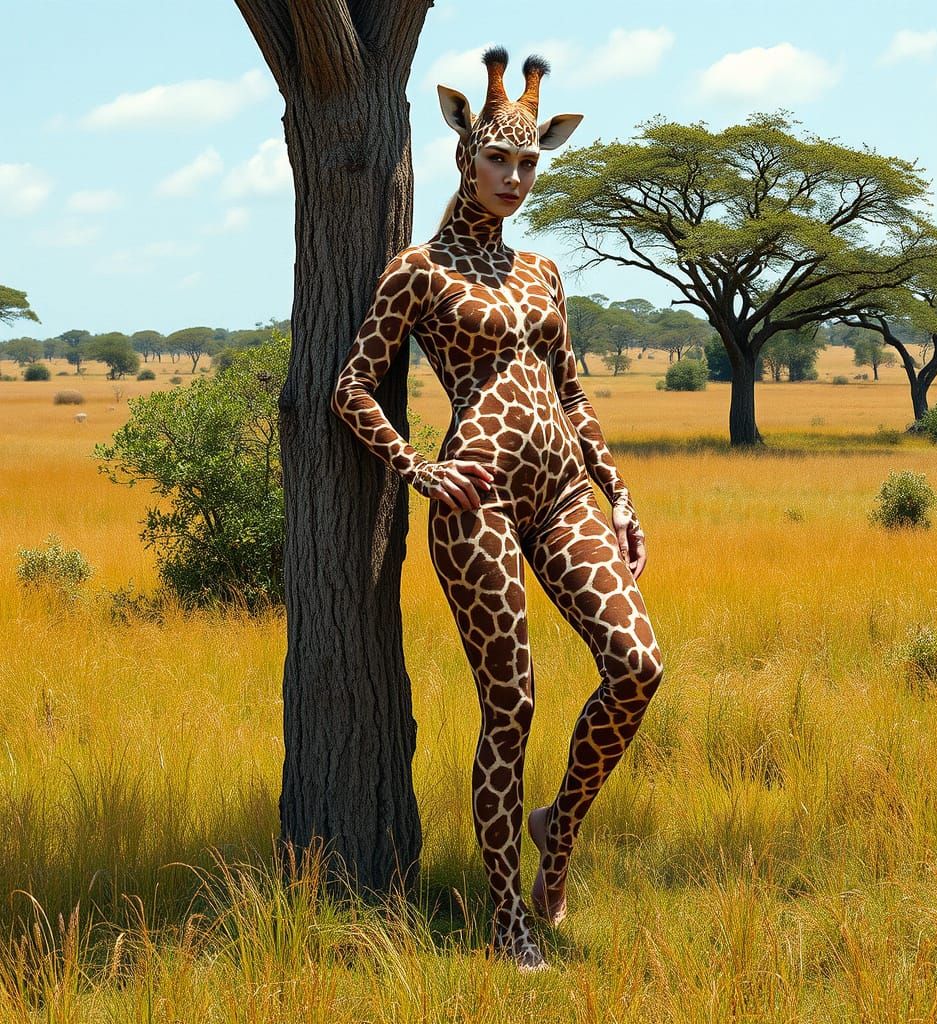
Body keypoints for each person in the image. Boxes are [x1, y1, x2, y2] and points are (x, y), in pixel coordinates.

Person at [332, 46, 663, 971]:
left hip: (562, 495)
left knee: (639, 665)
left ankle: (558, 834)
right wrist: (412, 468)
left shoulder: (545, 273)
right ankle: (504, 913)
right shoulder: (419, 270)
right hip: (473, 496)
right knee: (510, 708)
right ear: (462, 154)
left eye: (529, 162)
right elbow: (351, 387)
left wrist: (619, 489)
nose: (516, 178)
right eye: (498, 161)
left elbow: (571, 389)